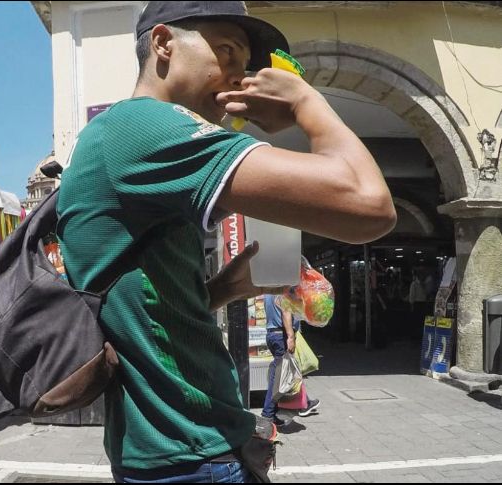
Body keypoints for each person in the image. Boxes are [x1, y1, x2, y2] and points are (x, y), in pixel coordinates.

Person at [56, 2, 396, 482]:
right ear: (163, 43)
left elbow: (137, 313)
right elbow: (370, 206)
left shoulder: (118, 136)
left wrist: (224, 290)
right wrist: (306, 102)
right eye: (226, 51)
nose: (238, 77)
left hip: (175, 450)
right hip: (190, 455)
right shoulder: (146, 128)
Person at [261, 294, 320, 426]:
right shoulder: (284, 290)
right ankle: (267, 415)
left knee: (281, 373)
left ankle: (278, 411)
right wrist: (290, 337)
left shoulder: (269, 292)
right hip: (281, 336)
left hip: (272, 334)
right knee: (278, 378)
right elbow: (286, 312)